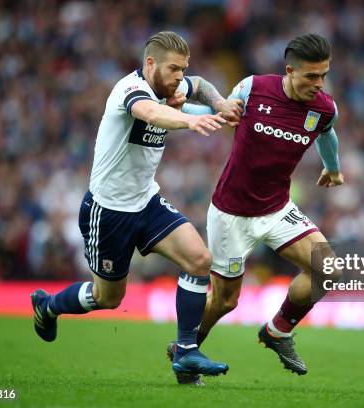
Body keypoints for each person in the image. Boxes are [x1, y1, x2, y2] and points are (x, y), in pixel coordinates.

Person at [30, 31, 244, 385]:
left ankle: (186, 351)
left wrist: (219, 103)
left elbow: (200, 85)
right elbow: (150, 113)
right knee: (108, 297)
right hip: (108, 211)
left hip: (145, 200)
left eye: (182, 69)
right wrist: (190, 120)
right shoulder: (130, 91)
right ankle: (48, 306)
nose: (179, 77)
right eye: (174, 69)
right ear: (150, 64)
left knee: (199, 260)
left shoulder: (168, 87)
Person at [167, 33, 344, 378]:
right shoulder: (255, 88)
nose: (318, 83)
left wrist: (333, 168)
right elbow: (216, 109)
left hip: (277, 209)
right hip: (231, 213)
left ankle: (278, 331)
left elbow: (328, 133)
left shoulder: (323, 108)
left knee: (328, 269)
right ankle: (186, 348)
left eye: (323, 75)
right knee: (224, 301)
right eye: (311, 76)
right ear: (290, 70)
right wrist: (180, 108)